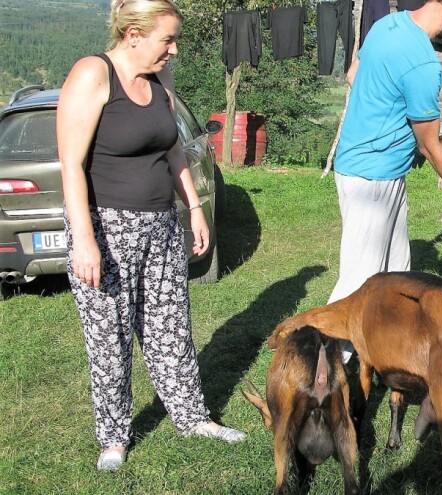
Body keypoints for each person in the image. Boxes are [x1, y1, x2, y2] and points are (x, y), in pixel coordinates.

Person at [57, 0, 245, 472]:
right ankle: (114, 438)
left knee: (170, 326)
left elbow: (175, 151)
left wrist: (195, 210)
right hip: (106, 229)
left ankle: (192, 417)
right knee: (110, 336)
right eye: (168, 39)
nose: (174, 50)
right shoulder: (92, 75)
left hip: (161, 222)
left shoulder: (161, 79)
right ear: (134, 34)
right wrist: (84, 239)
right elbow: (71, 165)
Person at [328, 0, 442, 362]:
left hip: (365, 168)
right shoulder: (423, 63)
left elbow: (354, 75)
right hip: (372, 178)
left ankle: (389, 354)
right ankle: (321, 371)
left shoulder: (388, 24)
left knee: (397, 269)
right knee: (358, 283)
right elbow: (430, 146)